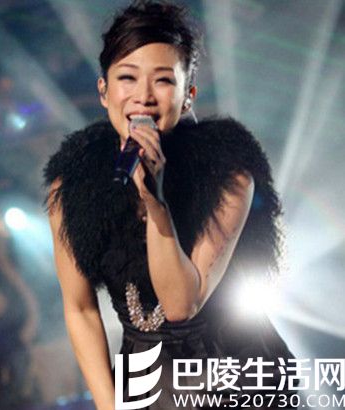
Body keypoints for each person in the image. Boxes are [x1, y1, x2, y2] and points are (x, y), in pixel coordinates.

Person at [43, 1, 299, 409]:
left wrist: (155, 201)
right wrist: (109, 405)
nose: (143, 97)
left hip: (234, 374)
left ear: (187, 96)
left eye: (163, 81)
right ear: (104, 91)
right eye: (127, 78)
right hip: (146, 381)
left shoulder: (228, 177)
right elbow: (80, 309)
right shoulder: (73, 187)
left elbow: (181, 305)